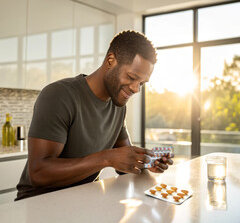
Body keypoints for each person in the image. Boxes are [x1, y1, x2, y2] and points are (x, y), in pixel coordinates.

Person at [15, 30, 173, 201]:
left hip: (84, 198)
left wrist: (149, 162)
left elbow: (123, 161)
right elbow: (39, 174)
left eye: (141, 83)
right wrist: (106, 158)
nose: (136, 89)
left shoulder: (118, 106)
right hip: (38, 203)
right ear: (110, 60)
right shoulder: (59, 95)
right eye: (132, 77)